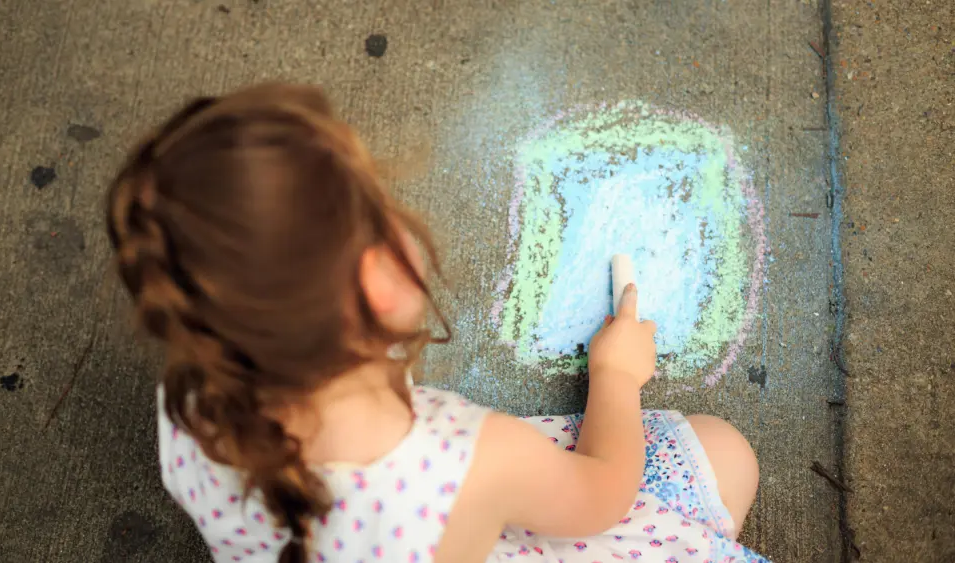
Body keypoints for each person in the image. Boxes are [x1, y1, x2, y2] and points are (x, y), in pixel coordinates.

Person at [106, 82, 771, 563]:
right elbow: (602, 497)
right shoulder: (464, 459)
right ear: (382, 283)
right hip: (461, 523)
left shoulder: (192, 398)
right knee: (725, 453)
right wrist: (616, 374)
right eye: (381, 205)